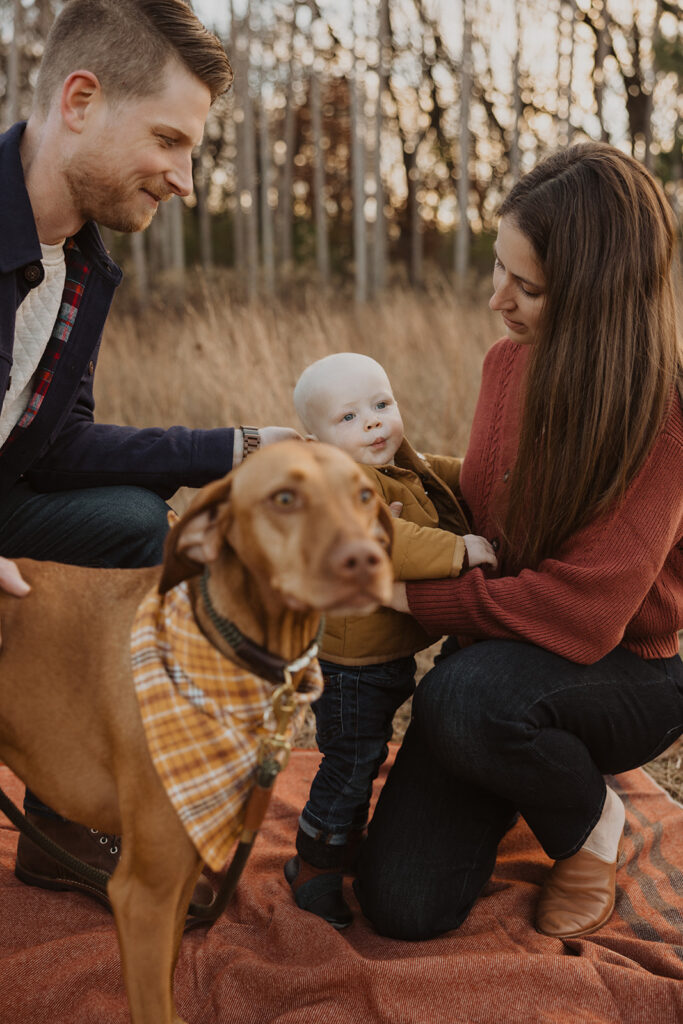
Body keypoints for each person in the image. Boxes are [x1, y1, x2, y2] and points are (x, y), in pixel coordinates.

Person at [0, 0, 297, 910]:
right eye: (169, 139)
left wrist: (240, 450)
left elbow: (63, 442)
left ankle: (64, 818)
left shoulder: (81, 266)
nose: (186, 178)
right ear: (80, 101)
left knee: (136, 525)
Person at [353, 142, 683, 942]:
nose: (495, 297)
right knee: (401, 907)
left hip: (625, 672)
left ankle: (590, 820)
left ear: (596, 296)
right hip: (501, 651)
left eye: (525, 285)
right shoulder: (506, 365)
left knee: (461, 697)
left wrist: (397, 593)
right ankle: (517, 753)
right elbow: (482, 524)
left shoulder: (664, 411)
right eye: (498, 267)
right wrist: (370, 488)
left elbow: (581, 613)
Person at [285, 352, 497, 927]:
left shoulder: (393, 462)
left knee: (366, 753)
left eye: (381, 405)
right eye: (349, 417)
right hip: (351, 667)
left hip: (381, 658)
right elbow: (383, 536)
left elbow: (439, 474)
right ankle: (314, 865)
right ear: (318, 441)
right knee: (351, 761)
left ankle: (343, 837)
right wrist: (457, 550)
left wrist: (482, 474)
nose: (374, 423)